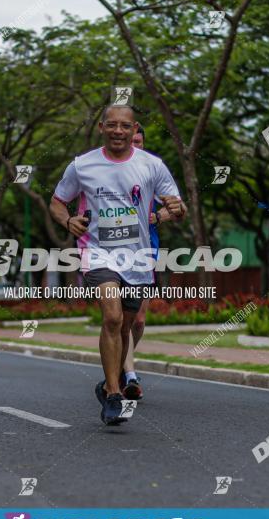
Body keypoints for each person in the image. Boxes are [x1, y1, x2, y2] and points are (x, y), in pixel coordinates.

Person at [50, 105, 186, 425]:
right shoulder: (82, 165)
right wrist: (68, 219)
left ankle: (110, 381)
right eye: (112, 125)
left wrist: (173, 208)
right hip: (97, 252)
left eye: (125, 126)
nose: (118, 131)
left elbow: (175, 205)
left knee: (127, 325)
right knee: (111, 317)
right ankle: (113, 394)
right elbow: (58, 201)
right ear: (102, 127)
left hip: (137, 257)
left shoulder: (152, 165)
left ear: (133, 127)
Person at [121, 126, 178, 401]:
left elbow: (175, 205)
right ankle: (128, 374)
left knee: (139, 320)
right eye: (131, 141)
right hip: (113, 252)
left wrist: (160, 217)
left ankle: (120, 362)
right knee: (119, 317)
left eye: (139, 141)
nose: (136, 145)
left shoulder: (152, 170)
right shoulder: (109, 169)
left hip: (145, 250)